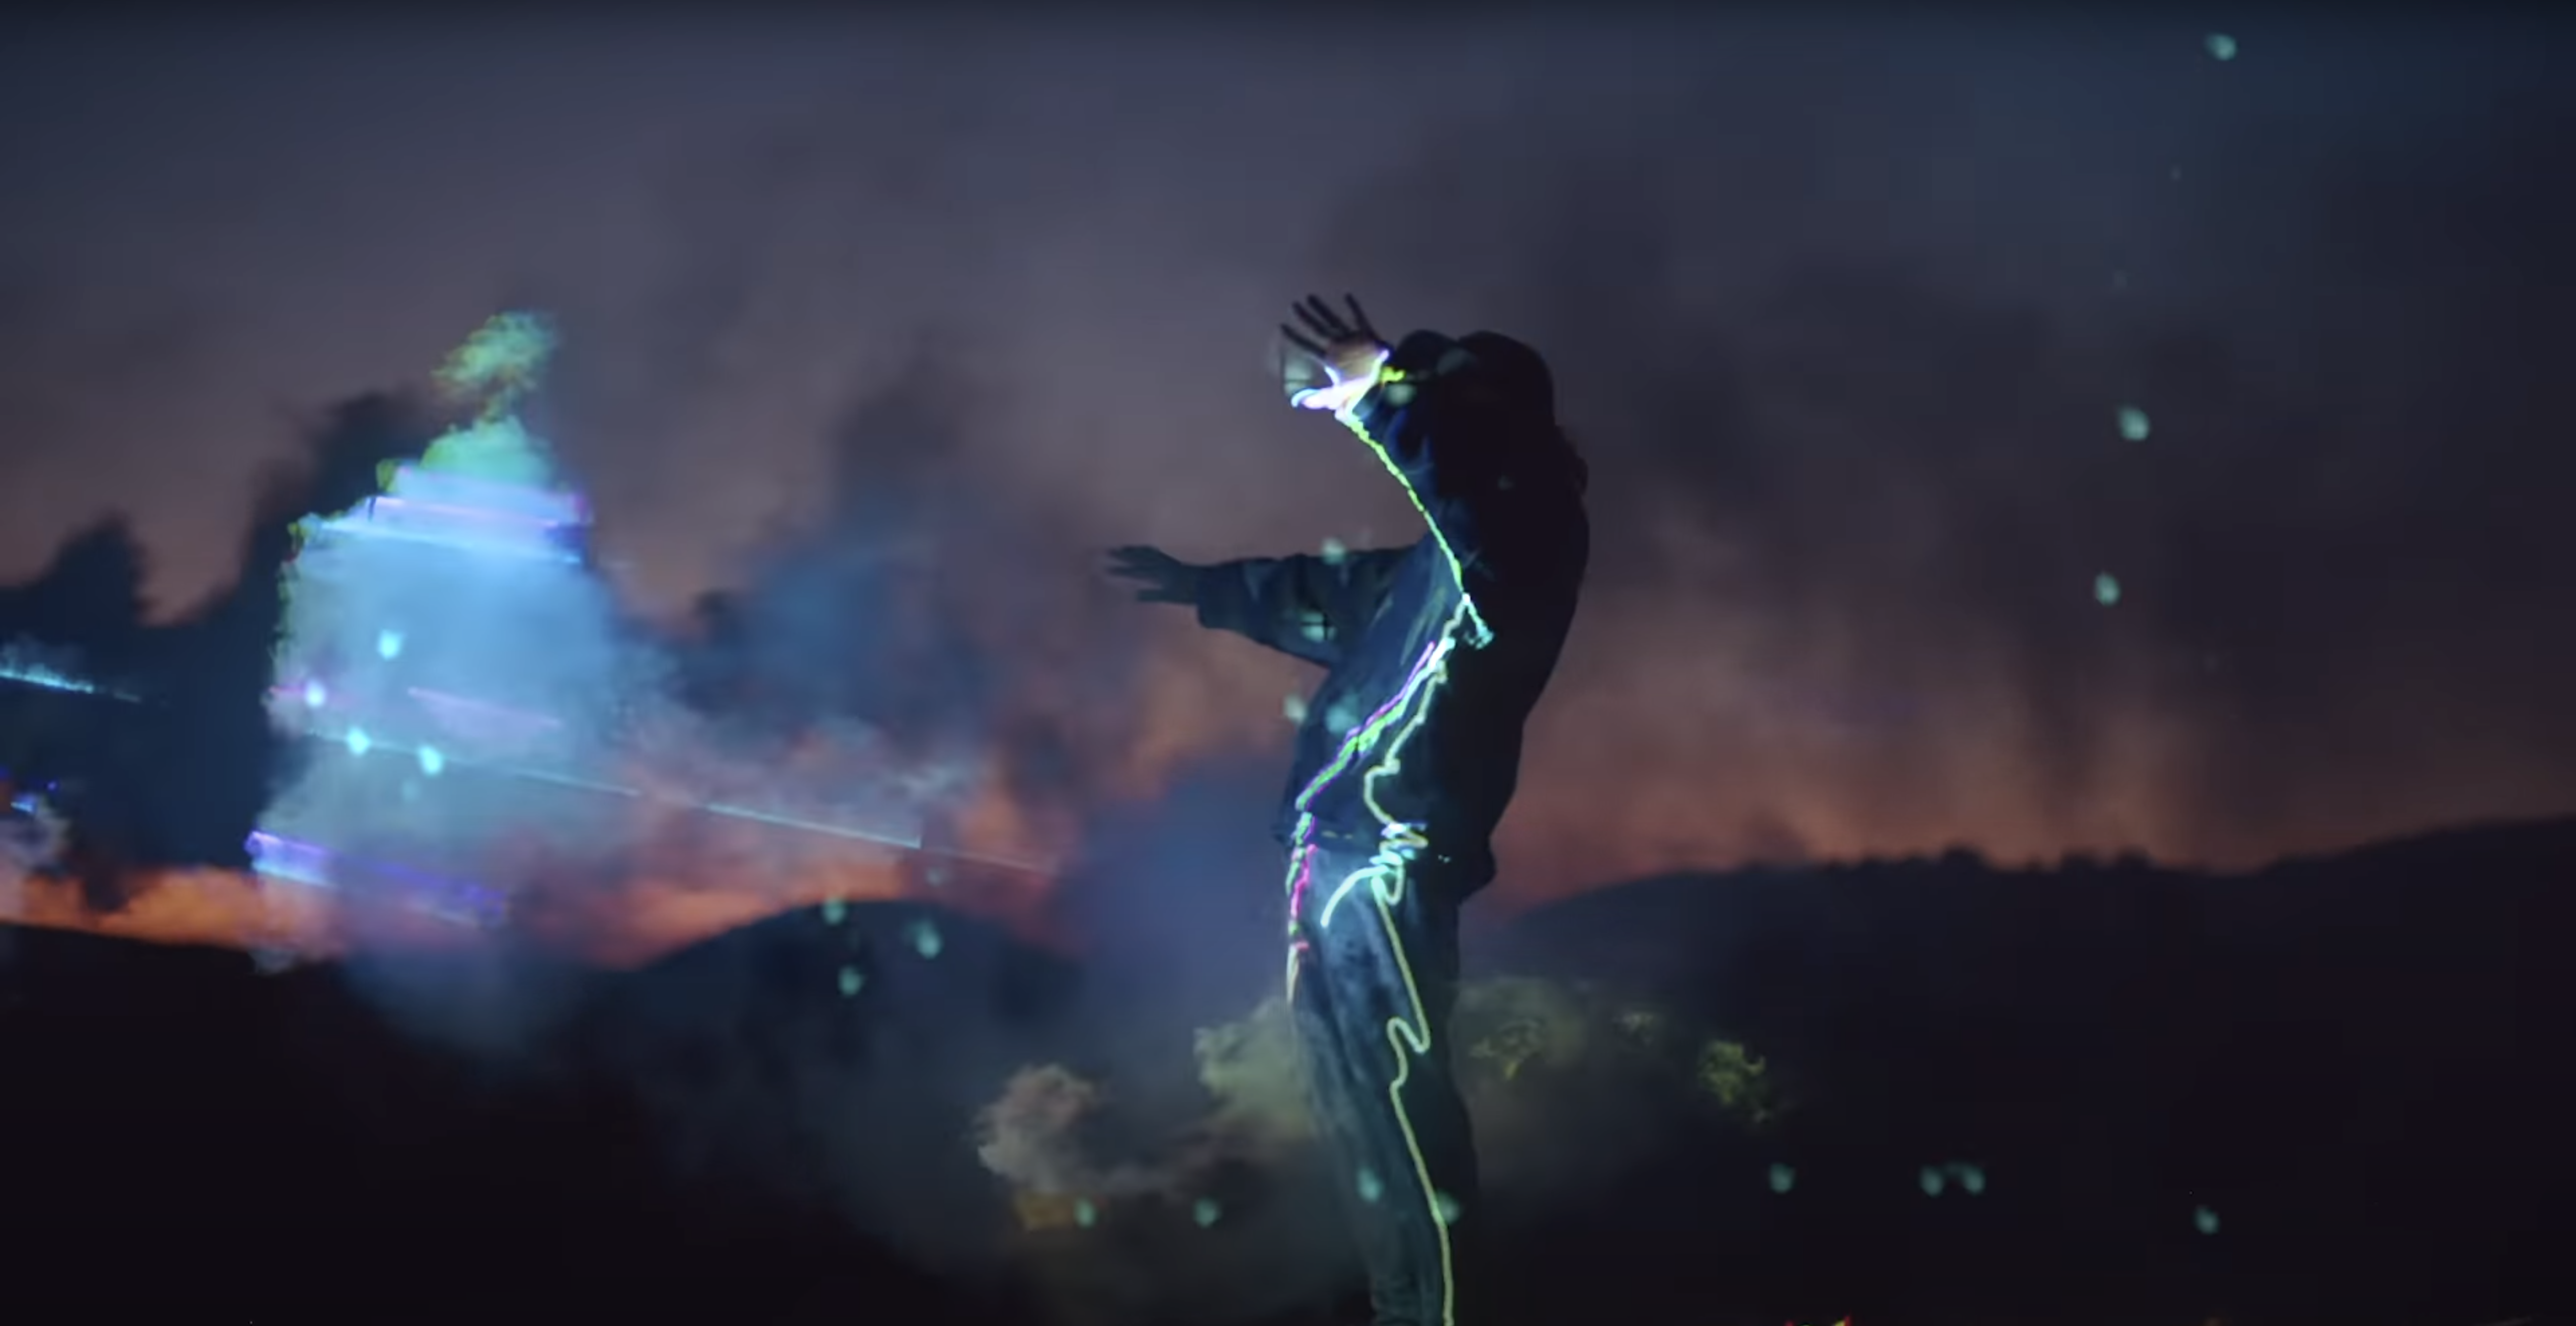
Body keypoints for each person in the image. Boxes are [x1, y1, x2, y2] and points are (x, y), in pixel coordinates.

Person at [1105, 295, 1589, 1326]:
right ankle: (1405, 1307)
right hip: (1337, 852)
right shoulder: (1440, 564)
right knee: (1357, 1111)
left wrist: (1384, 391)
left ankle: (1440, 1316)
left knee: (1396, 1103)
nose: (1438, 399)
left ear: (1501, 415)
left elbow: (1471, 493)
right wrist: (1205, 588)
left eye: (1459, 390)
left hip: (1390, 855)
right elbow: (1326, 595)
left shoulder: (1531, 524)